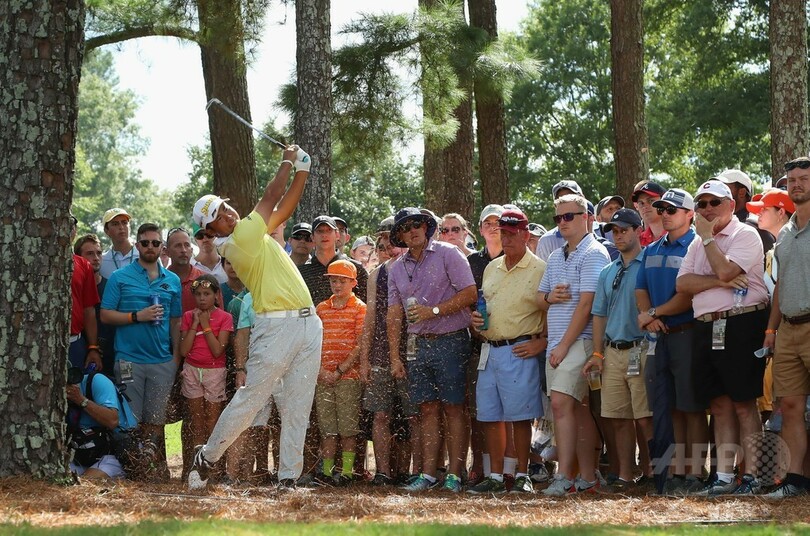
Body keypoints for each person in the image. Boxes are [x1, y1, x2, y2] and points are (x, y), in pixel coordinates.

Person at [187, 145, 321, 491]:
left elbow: (282, 208)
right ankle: (207, 457)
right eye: (218, 216)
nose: (227, 214)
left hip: (308, 323)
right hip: (276, 325)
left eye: (225, 207)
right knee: (252, 400)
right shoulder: (242, 236)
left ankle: (288, 478)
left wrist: (303, 170)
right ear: (210, 230)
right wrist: (287, 161)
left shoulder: (250, 231)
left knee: (298, 405)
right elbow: (271, 195)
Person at [676, 180, 768, 496]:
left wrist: (707, 239)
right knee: (719, 404)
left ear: (730, 205)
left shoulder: (745, 234)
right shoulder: (696, 243)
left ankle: (752, 476)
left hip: (741, 322)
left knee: (743, 402)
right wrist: (720, 281)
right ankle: (724, 477)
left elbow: (728, 271)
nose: (707, 209)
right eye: (701, 204)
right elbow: (683, 284)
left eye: (714, 202)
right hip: (706, 326)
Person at [388, 207, 477, 493]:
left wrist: (434, 311)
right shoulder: (396, 268)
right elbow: (394, 314)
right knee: (426, 409)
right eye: (405, 227)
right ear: (400, 236)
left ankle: (454, 475)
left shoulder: (448, 253)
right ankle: (427, 474)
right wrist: (394, 356)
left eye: (417, 224)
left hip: (451, 339)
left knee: (454, 408)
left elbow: (470, 293)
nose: (412, 230)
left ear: (426, 227)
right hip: (417, 344)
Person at [466, 208, 547, 495]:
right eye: (503, 233)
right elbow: (486, 305)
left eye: (512, 234)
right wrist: (476, 321)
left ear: (525, 234)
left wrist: (543, 342)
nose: (507, 239)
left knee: (521, 417)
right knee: (490, 415)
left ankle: (523, 475)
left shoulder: (540, 268)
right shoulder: (492, 267)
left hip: (519, 348)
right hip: (489, 349)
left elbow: (551, 310)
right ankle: (496, 476)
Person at [635, 188, 708, 495]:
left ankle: (696, 473)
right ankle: (676, 471)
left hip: (688, 332)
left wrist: (654, 312)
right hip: (659, 336)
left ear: (690, 214)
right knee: (670, 407)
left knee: (692, 407)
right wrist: (649, 316)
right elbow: (640, 288)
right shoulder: (652, 248)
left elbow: (687, 295)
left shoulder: (697, 246)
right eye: (662, 209)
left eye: (671, 210)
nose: (664, 214)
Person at [537, 194, 610, 496]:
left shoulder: (594, 253)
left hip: (580, 341)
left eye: (569, 216)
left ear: (587, 217)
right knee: (577, 409)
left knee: (560, 404)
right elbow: (540, 298)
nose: (562, 222)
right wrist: (549, 297)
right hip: (558, 343)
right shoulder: (555, 256)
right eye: (558, 218)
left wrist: (564, 346)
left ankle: (564, 476)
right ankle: (588, 477)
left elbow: (587, 304)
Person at [100, 223, 182, 481]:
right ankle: (134, 471)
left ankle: (150, 469)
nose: (150, 247)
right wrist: (137, 316)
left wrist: (175, 358)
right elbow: (105, 315)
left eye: (155, 243)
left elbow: (176, 322)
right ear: (137, 246)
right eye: (145, 243)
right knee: (130, 420)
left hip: (162, 360)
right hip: (129, 360)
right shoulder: (119, 277)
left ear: (161, 247)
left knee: (156, 419)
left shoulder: (172, 280)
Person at [583, 208, 652, 490]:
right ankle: (625, 475)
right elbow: (599, 315)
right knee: (618, 418)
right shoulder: (607, 271)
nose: (618, 235)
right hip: (612, 351)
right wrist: (597, 353)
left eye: (624, 230)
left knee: (645, 418)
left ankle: (651, 473)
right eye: (614, 231)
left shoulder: (649, 264)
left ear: (638, 230)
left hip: (642, 347)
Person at [763, 156, 810, 497]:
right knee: (790, 407)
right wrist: (771, 330)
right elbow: (780, 285)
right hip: (789, 330)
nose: (797, 184)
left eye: (804, 179)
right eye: (792, 179)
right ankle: (795, 481)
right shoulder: (785, 234)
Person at [358, 229, 416, 486]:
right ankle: (382, 472)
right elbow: (370, 317)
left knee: (410, 416)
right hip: (380, 353)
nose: (388, 250)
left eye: (392, 244)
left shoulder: (415, 269)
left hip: (411, 351)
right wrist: (364, 359)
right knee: (381, 414)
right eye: (381, 247)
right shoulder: (376, 275)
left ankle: (405, 471)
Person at [314, 260, 367, 485]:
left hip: (348, 377)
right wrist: (321, 370)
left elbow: (360, 344)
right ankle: (326, 472)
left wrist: (339, 370)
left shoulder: (360, 308)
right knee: (327, 429)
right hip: (322, 376)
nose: (337, 285)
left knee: (347, 429)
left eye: (342, 281)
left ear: (353, 283)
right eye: (334, 281)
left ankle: (346, 473)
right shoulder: (321, 308)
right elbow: (313, 342)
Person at [179, 275, 233, 480]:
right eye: (198, 294)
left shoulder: (224, 317)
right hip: (192, 370)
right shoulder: (188, 316)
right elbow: (184, 350)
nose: (202, 298)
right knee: (197, 421)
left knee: (213, 421)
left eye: (207, 294)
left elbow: (218, 350)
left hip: (214, 372)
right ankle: (196, 468)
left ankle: (214, 468)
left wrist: (206, 325)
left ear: (216, 295)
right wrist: (195, 324)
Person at [466, 204, 505, 487]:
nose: (493, 227)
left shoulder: (515, 257)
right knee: (478, 412)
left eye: (498, 222)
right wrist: (472, 321)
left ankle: (509, 469)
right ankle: (480, 466)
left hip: (508, 342)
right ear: (480, 229)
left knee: (511, 411)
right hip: (476, 346)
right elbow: (465, 299)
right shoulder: (471, 262)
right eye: (487, 223)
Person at [66, 368, 137, 480]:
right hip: (82, 454)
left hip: (115, 451)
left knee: (85, 483)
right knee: (61, 480)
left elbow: (112, 421)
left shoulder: (96, 381)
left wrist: (80, 400)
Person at [74, 233, 115, 373]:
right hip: (80, 350)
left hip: (111, 354)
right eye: (90, 254)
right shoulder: (72, 288)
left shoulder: (112, 286)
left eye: (99, 253)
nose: (96, 258)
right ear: (78, 257)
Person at [69, 216, 102, 371]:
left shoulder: (83, 265)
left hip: (74, 343)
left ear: (75, 231)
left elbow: (89, 310)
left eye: (72, 224)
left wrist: (93, 347)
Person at [535, 179, 584, 261]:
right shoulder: (547, 241)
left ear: (583, 201)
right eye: (560, 200)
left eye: (571, 198)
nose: (565, 202)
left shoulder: (601, 231)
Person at [99, 208, 138, 279]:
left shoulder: (143, 256)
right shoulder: (102, 261)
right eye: (115, 224)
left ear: (129, 227)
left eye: (124, 223)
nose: (121, 227)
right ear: (106, 231)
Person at [632, 181, 666, 246]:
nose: (645, 206)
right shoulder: (637, 241)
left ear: (664, 202)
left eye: (650, 201)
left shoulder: (677, 235)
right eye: (641, 203)